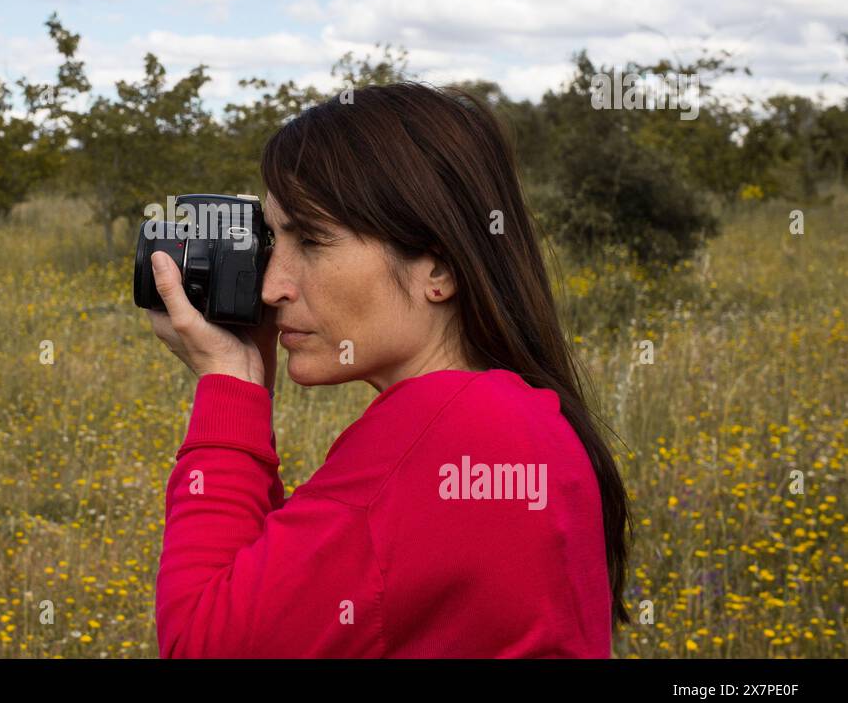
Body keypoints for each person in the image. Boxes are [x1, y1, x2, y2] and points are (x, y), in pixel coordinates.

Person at [145, 81, 630, 658]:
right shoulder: (527, 414)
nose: (273, 287)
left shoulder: (447, 431)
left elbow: (201, 645)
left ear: (440, 269)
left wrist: (229, 385)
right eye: (274, 240)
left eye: (314, 241)